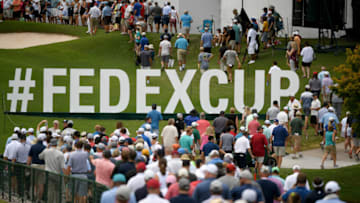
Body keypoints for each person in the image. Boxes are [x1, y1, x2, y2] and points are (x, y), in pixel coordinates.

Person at [39, 138, 65, 203]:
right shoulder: (60, 153)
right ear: (57, 144)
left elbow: (40, 157)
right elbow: (63, 167)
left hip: (48, 173)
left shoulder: (46, 151)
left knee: (50, 190)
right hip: (57, 174)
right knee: (58, 191)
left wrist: (46, 148)